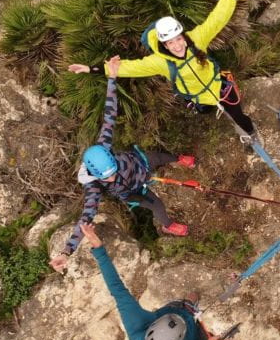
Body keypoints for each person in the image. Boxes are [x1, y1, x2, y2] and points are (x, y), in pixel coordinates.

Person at [68, 0, 260, 145]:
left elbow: (217, 18)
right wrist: (91, 68)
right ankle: (208, 109)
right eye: (170, 43)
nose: (177, 46)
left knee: (237, 115)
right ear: (164, 44)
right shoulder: (161, 62)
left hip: (219, 87)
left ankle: (250, 134)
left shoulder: (197, 39)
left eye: (178, 39)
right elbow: (130, 67)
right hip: (198, 96)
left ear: (183, 36)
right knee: (204, 110)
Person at [49, 58, 192, 273]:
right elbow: (85, 219)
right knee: (157, 205)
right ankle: (167, 226)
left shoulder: (103, 146)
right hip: (133, 191)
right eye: (107, 177)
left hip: (140, 162)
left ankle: (179, 158)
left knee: (162, 157)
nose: (112, 177)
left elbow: (110, 114)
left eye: (113, 170)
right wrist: (65, 252)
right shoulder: (93, 188)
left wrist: (112, 78)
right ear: (96, 176)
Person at [80, 222, 261, 340]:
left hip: (178, 314)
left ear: (152, 325)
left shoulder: (136, 325)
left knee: (191, 298)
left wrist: (98, 247)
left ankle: (190, 307)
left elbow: (117, 289)